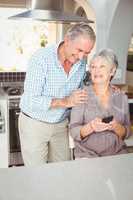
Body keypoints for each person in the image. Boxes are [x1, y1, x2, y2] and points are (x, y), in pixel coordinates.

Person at [18, 23, 96, 166]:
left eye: (86, 53)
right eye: (79, 50)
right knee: (37, 174)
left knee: (62, 171)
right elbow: (31, 100)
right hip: (35, 124)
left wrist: (106, 87)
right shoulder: (41, 59)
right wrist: (66, 102)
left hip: (61, 124)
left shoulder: (81, 61)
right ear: (67, 40)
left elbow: (83, 84)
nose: (81, 56)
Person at [69, 49, 131, 159]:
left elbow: (127, 132)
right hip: (87, 155)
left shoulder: (121, 97)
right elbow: (73, 131)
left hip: (117, 153)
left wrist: (116, 127)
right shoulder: (81, 95)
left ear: (112, 71)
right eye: (93, 67)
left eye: (102, 66)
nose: (96, 71)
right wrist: (91, 127)